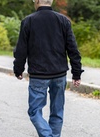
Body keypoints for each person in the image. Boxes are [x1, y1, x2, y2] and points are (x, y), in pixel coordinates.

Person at [13, 0, 83, 136]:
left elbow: (21, 49)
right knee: (57, 111)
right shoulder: (63, 21)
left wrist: (18, 69)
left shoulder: (28, 21)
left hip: (38, 74)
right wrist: (76, 73)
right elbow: (73, 49)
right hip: (59, 74)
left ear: (36, 1)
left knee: (34, 111)